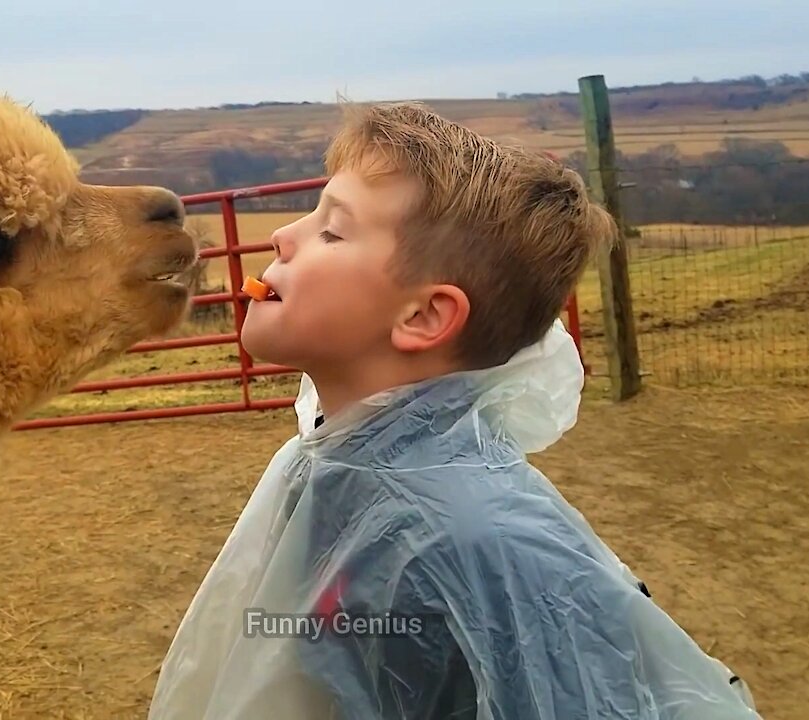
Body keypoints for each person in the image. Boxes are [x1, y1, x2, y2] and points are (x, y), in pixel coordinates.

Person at [147, 102, 760, 719]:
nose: (283, 236)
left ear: (423, 317)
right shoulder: (340, 466)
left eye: (332, 230)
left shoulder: (469, 540)